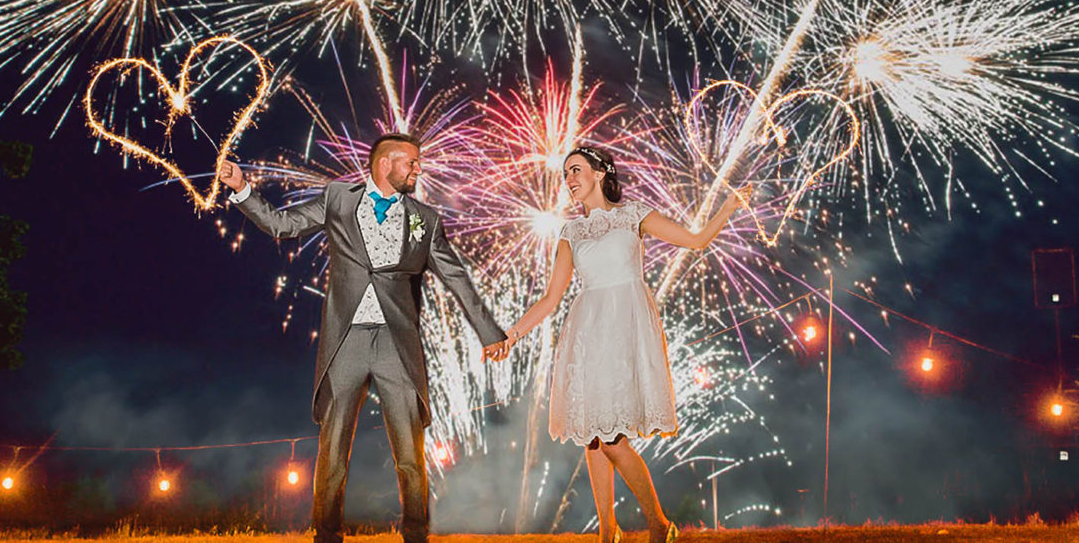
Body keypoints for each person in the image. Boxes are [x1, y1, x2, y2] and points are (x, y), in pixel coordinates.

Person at [218, 133, 508, 543]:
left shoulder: (426, 218)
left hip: (397, 342)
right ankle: (327, 534)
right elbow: (282, 225)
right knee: (333, 445)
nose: (418, 170)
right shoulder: (338, 197)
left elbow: (456, 277)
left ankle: (415, 533)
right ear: (386, 163)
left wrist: (488, 332)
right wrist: (242, 189)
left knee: (410, 449)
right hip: (346, 339)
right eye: (412, 163)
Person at [499, 146, 751, 543]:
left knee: (614, 440)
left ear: (600, 173)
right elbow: (551, 298)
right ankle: (607, 533)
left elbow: (696, 240)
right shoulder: (571, 232)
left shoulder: (632, 215)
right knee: (594, 437)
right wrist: (511, 334)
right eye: (566, 174)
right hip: (587, 333)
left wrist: (729, 206)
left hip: (626, 328)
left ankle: (659, 524)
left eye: (577, 170)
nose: (569, 179)